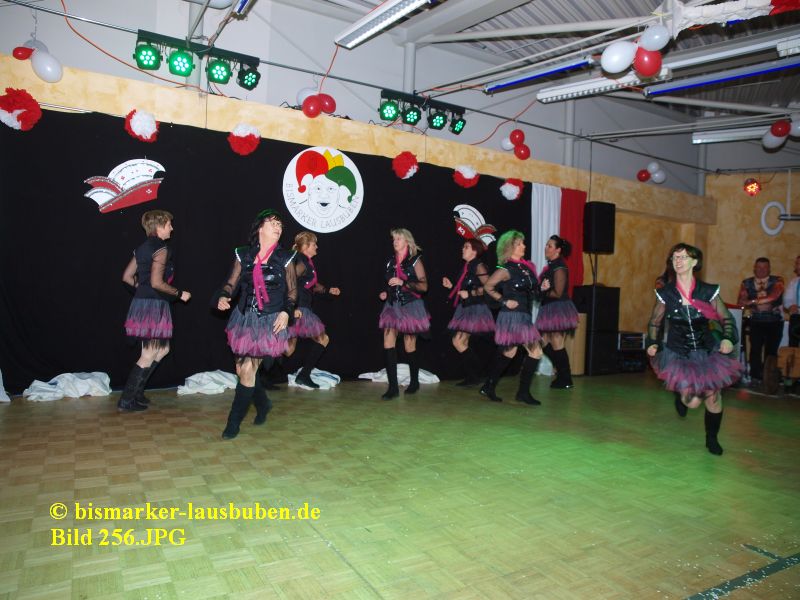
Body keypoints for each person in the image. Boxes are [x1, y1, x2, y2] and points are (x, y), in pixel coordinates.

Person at [646, 243, 742, 456]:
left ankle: (712, 438)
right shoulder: (666, 294)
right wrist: (652, 342)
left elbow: (727, 319)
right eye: (675, 258)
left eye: (683, 257)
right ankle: (679, 395)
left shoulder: (707, 291)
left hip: (706, 351)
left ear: (694, 262)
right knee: (693, 403)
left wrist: (728, 338)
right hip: (679, 353)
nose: (678, 261)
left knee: (713, 396)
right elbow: (654, 322)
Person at [215, 209, 297, 439]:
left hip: (270, 320)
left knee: (248, 370)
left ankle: (233, 424)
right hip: (244, 318)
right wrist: (224, 296)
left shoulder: (286, 257)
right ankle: (263, 403)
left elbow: (292, 292)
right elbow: (231, 283)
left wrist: (286, 312)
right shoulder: (244, 254)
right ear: (260, 227)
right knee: (242, 370)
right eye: (273, 223)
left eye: (280, 225)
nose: (278, 227)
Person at [119, 210, 191, 411]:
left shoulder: (142, 248)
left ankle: (137, 393)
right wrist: (180, 294)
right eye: (169, 224)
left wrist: (143, 289)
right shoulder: (160, 248)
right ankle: (126, 399)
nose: (172, 228)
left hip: (145, 303)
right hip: (153, 305)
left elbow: (126, 277)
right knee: (149, 352)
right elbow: (157, 283)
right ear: (159, 226)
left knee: (162, 349)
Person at [480, 230, 542, 405]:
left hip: (524, 316)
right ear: (510, 247)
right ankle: (522, 393)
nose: (524, 246)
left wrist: (542, 287)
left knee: (510, 352)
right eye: (519, 244)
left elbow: (534, 292)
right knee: (535, 351)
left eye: (523, 243)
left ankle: (489, 385)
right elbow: (488, 287)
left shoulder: (526, 268)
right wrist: (504, 301)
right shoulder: (505, 269)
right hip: (512, 317)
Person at [378, 228, 430, 399]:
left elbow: (424, 286)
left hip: (410, 306)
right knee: (388, 341)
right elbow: (390, 284)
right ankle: (393, 387)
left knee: (409, 345)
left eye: (398, 239)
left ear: (407, 241)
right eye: (394, 239)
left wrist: (404, 283)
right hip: (392, 306)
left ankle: (414, 381)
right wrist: (386, 292)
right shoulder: (390, 262)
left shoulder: (415, 261)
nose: (395, 242)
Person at [287, 231, 341, 389]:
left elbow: (311, 285)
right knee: (323, 339)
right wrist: (292, 307)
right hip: (299, 308)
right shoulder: (300, 260)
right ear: (305, 246)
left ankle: (259, 373)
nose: (317, 247)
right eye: (314, 244)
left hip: (300, 307)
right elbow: (288, 282)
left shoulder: (306, 261)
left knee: (288, 350)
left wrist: (328, 290)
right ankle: (304, 375)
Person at [442, 239, 494, 386]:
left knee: (458, 341)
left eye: (466, 247)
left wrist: (471, 293)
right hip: (466, 308)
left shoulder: (479, 266)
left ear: (474, 251)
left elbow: (490, 287)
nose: (462, 249)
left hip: (476, 308)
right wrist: (451, 286)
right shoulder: (467, 267)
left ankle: (477, 374)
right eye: (463, 246)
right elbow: (462, 289)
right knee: (459, 342)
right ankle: (475, 376)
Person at [537, 235, 580, 389]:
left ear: (558, 250)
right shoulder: (552, 266)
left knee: (556, 342)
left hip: (558, 309)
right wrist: (540, 290)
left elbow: (558, 292)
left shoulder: (559, 267)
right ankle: (563, 375)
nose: (546, 248)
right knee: (542, 342)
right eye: (546, 245)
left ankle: (565, 378)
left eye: (550, 246)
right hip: (549, 308)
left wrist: (542, 291)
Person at [737, 257, 785, 385]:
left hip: (775, 322)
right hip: (756, 321)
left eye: (765, 267)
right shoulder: (746, 283)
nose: (761, 270)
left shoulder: (778, 280)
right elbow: (741, 302)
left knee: (771, 351)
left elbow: (774, 296)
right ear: (754, 268)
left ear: (769, 269)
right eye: (759, 267)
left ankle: (769, 379)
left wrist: (753, 301)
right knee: (755, 350)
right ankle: (755, 377)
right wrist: (750, 304)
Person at [782, 255, 800, 347]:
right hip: (796, 318)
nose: (796, 266)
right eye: (796, 264)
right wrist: (790, 305)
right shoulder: (794, 282)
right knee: (793, 345)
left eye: (798, 264)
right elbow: (787, 299)